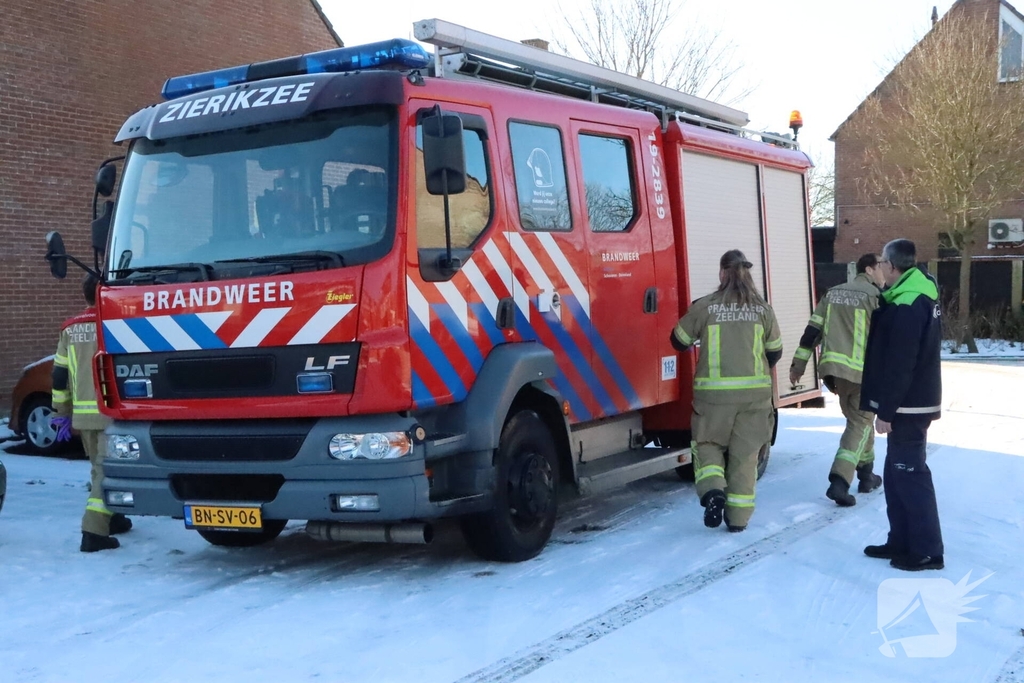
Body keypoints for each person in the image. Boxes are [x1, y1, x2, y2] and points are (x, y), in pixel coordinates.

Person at [670, 250, 783, 532]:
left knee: (707, 445)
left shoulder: (705, 307)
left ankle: (713, 492)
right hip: (754, 399)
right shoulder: (763, 309)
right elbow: (775, 352)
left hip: (713, 399)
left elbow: (678, 340)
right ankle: (737, 520)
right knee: (745, 457)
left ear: (722, 273)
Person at [859, 239, 944, 571]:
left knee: (910, 475)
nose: (880, 267)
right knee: (896, 476)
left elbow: (901, 363)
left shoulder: (909, 302)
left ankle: (927, 551)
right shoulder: (907, 295)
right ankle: (901, 541)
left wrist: (886, 410)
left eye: (882, 262)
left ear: (892, 266)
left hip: (909, 405)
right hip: (909, 402)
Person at [790, 254, 885, 507]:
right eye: (881, 266)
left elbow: (812, 332)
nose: (885, 271)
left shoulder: (832, 294)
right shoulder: (876, 297)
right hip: (863, 374)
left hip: (835, 374)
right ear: (869, 269)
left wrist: (798, 366)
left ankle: (867, 475)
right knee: (859, 423)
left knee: (860, 422)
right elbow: (888, 338)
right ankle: (840, 481)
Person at [51, 274, 132, 552]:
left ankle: (114, 516)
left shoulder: (70, 329)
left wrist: (61, 412)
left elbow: (59, 375)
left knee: (99, 469)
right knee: (106, 471)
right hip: (113, 412)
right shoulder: (115, 324)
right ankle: (93, 532)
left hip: (84, 415)